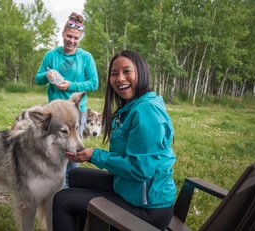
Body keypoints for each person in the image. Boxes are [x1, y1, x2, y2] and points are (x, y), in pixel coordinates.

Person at [52, 50, 177, 231]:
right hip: (131, 188)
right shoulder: (131, 106)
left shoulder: (146, 111)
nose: (120, 78)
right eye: (114, 73)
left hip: (147, 208)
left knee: (63, 200)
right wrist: (90, 156)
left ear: (141, 72)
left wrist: (95, 155)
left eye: (127, 71)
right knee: (75, 175)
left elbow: (140, 170)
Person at [35, 12, 99, 187]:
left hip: (77, 113)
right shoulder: (51, 55)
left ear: (80, 39)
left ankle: (70, 190)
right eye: (69, 36)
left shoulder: (85, 58)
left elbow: (94, 83)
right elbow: (37, 79)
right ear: (63, 34)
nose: (71, 40)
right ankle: (55, 188)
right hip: (54, 114)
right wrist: (47, 75)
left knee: (73, 153)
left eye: (76, 38)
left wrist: (70, 85)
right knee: (53, 151)